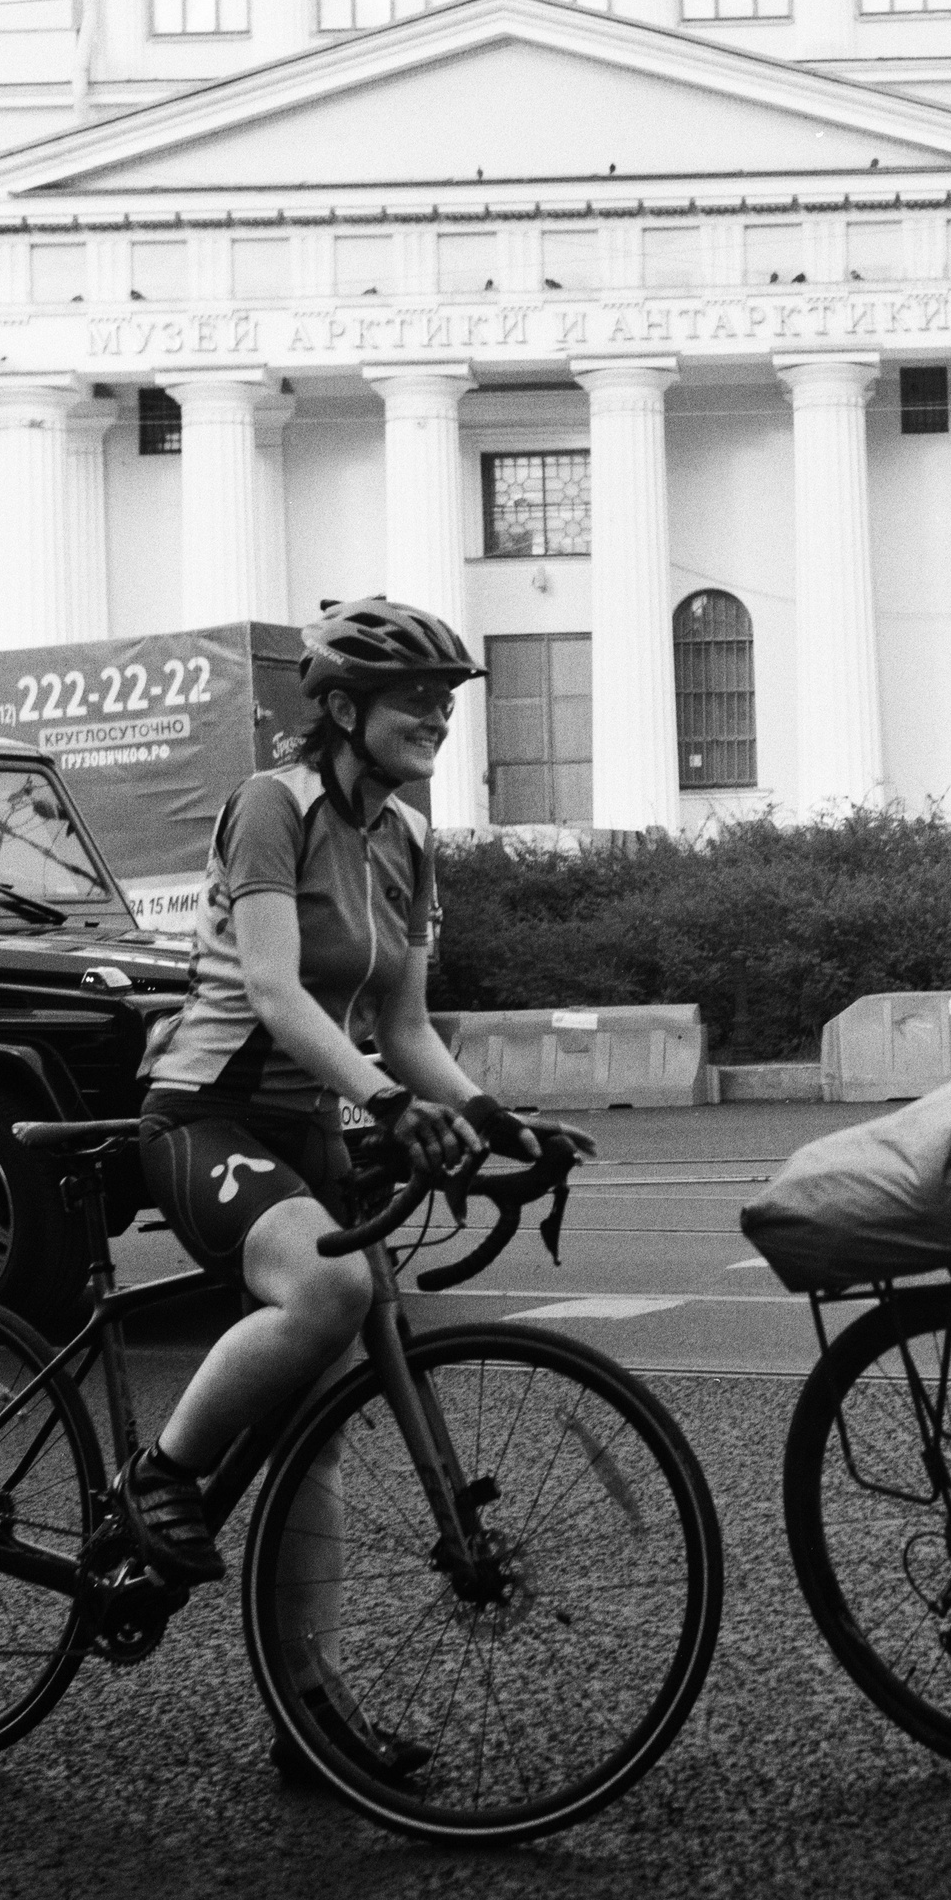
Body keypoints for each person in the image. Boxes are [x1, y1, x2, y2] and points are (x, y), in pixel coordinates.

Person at [126, 598, 589, 1662]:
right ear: (340, 707)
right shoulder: (270, 805)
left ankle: (312, 1708)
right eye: (414, 699)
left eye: (447, 702)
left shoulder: (411, 836)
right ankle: (163, 1473)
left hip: (310, 1130)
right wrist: (387, 1103)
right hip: (206, 1116)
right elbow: (277, 993)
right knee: (330, 1292)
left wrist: (496, 1121)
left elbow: (406, 1027)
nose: (437, 717)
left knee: (313, 1437)